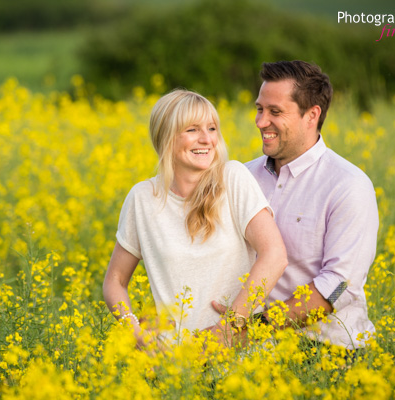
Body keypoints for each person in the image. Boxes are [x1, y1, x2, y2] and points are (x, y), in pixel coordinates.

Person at [102, 89, 288, 347]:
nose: (206, 139)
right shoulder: (142, 198)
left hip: (239, 360)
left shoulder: (233, 178)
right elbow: (115, 281)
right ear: (166, 137)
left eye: (212, 129)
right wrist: (135, 332)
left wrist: (228, 329)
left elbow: (275, 255)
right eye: (192, 130)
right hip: (172, 365)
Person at [214, 60, 379, 350]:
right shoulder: (241, 177)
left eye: (275, 112)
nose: (261, 122)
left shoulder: (348, 185)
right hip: (247, 349)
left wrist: (252, 327)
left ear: (311, 115)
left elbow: (340, 286)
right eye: (259, 109)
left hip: (323, 351)